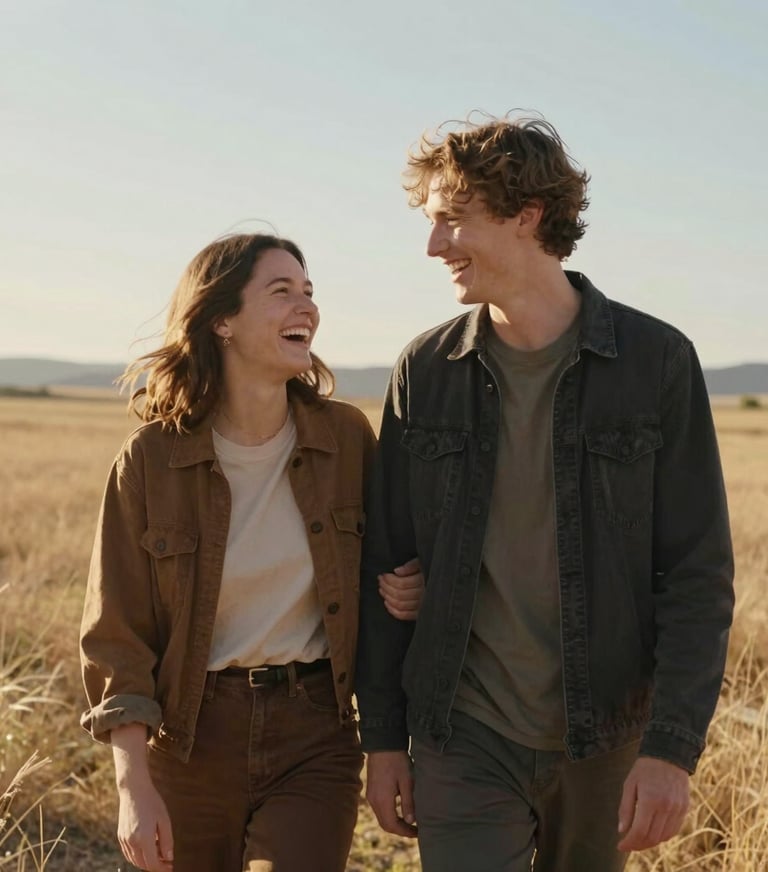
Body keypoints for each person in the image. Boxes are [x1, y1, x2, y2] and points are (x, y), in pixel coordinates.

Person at [355, 114, 735, 872]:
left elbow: (697, 572)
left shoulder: (655, 362)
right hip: (460, 731)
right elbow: (386, 565)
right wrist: (385, 740)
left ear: (526, 214)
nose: (434, 247)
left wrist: (671, 751)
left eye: (452, 222)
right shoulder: (423, 372)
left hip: (604, 737)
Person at [79, 232, 424, 872]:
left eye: (310, 291)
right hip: (188, 741)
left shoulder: (346, 439)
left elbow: (388, 578)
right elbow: (116, 633)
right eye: (282, 291)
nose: (308, 307)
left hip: (314, 732)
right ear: (223, 322)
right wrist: (132, 785)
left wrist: (417, 586)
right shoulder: (151, 460)